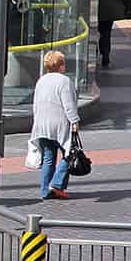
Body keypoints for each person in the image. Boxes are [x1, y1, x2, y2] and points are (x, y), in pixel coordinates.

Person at [30, 50, 81, 200]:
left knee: (48, 157)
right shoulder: (64, 81)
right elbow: (69, 105)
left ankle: (45, 190)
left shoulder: (41, 80)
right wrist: (74, 120)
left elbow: (35, 103)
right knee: (70, 153)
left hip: (42, 123)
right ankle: (57, 184)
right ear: (60, 66)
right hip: (60, 123)